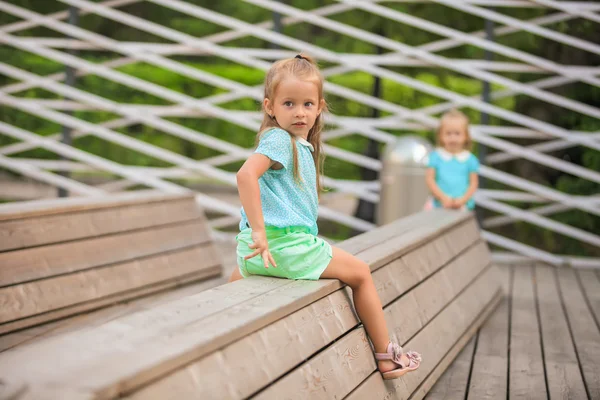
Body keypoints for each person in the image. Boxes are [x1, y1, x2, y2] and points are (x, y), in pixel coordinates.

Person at [228, 54, 421, 379]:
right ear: (269, 107)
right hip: (280, 247)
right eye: (288, 104)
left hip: (255, 253)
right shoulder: (279, 140)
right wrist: (260, 231)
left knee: (234, 287)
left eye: (307, 104)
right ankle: (386, 356)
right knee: (361, 273)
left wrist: (257, 237)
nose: (299, 112)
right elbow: (245, 176)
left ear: (319, 107)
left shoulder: (299, 146)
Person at [425, 109, 480, 211]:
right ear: (441, 135)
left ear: (466, 136)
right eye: (448, 133)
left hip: (463, 207)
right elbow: (430, 179)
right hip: (438, 206)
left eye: (457, 133)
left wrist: (462, 200)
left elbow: (473, 183)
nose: (453, 138)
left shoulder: (470, 159)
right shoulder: (435, 157)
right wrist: (443, 198)